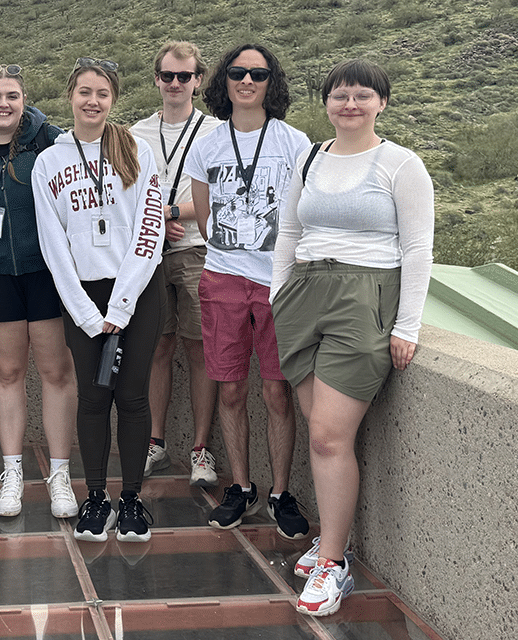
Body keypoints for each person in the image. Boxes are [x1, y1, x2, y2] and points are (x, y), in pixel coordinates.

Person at [271, 58, 434, 616]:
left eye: (363, 95)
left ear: (382, 103)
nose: (351, 104)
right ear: (326, 103)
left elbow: (417, 250)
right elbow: (289, 230)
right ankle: (331, 540)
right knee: (323, 435)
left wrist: (406, 325)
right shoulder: (311, 158)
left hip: (363, 298)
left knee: (327, 437)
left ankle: (334, 561)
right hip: (304, 295)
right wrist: (277, 296)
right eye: (340, 95)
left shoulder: (400, 164)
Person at [182, 44, 313, 539]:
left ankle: (281, 492)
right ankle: (240, 486)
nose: (247, 80)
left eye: (258, 73)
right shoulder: (208, 144)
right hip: (222, 276)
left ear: (270, 82)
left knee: (277, 390)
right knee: (231, 388)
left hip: (277, 280)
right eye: (237, 72)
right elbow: (207, 216)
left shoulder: (294, 142)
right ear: (224, 81)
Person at [33, 59, 166, 543]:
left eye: (103, 94)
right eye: (84, 91)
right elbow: (54, 245)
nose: (93, 101)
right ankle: (95, 497)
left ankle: (131, 500)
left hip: (137, 289)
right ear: (70, 95)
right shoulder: (50, 161)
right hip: (82, 296)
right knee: (92, 399)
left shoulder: (135, 149)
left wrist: (122, 304)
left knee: (131, 397)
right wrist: (89, 314)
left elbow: (149, 230)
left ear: (114, 99)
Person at [0, 62, 77, 519]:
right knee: (6, 375)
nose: (3, 104)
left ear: (25, 101)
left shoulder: (52, 143)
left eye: (12, 96)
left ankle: (60, 475)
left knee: (56, 373)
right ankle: (13, 473)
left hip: (47, 273)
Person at [131, 41, 223, 486]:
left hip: (194, 250)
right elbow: (126, 193)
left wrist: (170, 214)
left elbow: (220, 195)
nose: (175, 84)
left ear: (198, 81)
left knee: (199, 347)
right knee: (157, 348)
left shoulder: (216, 132)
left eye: (183, 77)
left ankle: (201, 448)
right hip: (149, 255)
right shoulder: (136, 133)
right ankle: (155, 442)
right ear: (156, 79)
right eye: (167, 75)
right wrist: (152, 221)